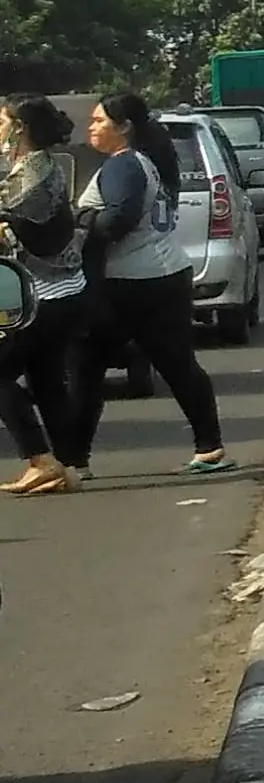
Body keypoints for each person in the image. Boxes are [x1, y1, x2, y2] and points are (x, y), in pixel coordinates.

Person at [80, 94, 232, 477]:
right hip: (162, 276)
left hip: (132, 283)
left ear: (124, 126)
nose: (91, 127)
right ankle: (210, 447)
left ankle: (71, 461)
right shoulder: (146, 162)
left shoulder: (123, 166)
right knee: (177, 365)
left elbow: (117, 220)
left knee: (84, 368)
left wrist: (78, 219)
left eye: (99, 120)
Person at [3, 96, 102, 494]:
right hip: (57, 293)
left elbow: (14, 225)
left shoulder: (35, 173)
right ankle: (67, 466)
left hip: (42, 296)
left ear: (19, 127)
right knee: (45, 381)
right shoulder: (35, 167)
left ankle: (40, 459)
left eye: (1, 120)